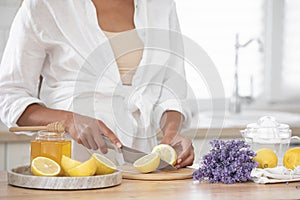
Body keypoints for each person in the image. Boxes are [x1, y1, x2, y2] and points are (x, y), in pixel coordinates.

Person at [0, 0, 194, 168]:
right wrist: (69, 121)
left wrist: (171, 135)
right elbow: (9, 94)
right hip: (70, 164)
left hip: (138, 166)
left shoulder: (161, 5)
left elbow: (171, 89)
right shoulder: (45, 5)